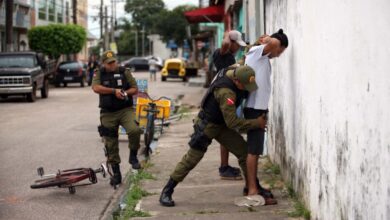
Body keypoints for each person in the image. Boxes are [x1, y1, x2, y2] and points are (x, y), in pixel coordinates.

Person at [159, 65, 268, 207]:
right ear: (236, 81)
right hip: (208, 126)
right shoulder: (226, 92)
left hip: (221, 124)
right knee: (191, 159)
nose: (247, 88)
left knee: (244, 151)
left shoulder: (234, 70)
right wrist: (256, 123)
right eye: (245, 85)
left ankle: (252, 186)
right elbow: (233, 122)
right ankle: (167, 190)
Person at [243, 29, 289, 205]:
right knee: (253, 151)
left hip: (258, 109)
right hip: (254, 109)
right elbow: (275, 44)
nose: (279, 54)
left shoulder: (262, 57)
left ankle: (253, 186)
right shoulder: (257, 53)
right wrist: (271, 39)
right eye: (281, 51)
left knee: (255, 150)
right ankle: (252, 190)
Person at [92, 50, 143, 187]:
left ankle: (133, 156)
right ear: (104, 64)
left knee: (135, 130)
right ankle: (117, 174)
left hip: (125, 110)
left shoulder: (124, 71)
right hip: (108, 113)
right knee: (111, 144)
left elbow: (135, 88)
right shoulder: (99, 73)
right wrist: (114, 91)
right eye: (109, 63)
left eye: (114, 61)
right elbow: (96, 88)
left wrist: (124, 92)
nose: (112, 65)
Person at [212, 30, 248, 180]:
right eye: (237, 45)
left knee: (226, 131)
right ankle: (224, 167)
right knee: (226, 131)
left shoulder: (231, 56)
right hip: (223, 96)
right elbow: (226, 43)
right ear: (231, 42)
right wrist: (227, 35)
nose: (238, 48)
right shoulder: (221, 54)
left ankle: (224, 166)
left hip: (227, 95)